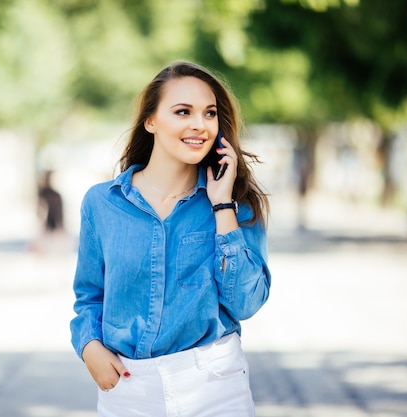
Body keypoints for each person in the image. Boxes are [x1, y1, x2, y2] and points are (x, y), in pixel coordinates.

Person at [70, 61, 271, 417]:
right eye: (183, 112)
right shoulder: (102, 204)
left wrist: (222, 204)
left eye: (210, 114)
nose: (199, 124)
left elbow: (246, 303)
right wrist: (88, 346)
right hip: (127, 389)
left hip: (215, 388)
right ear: (151, 121)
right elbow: (89, 295)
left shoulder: (236, 204)